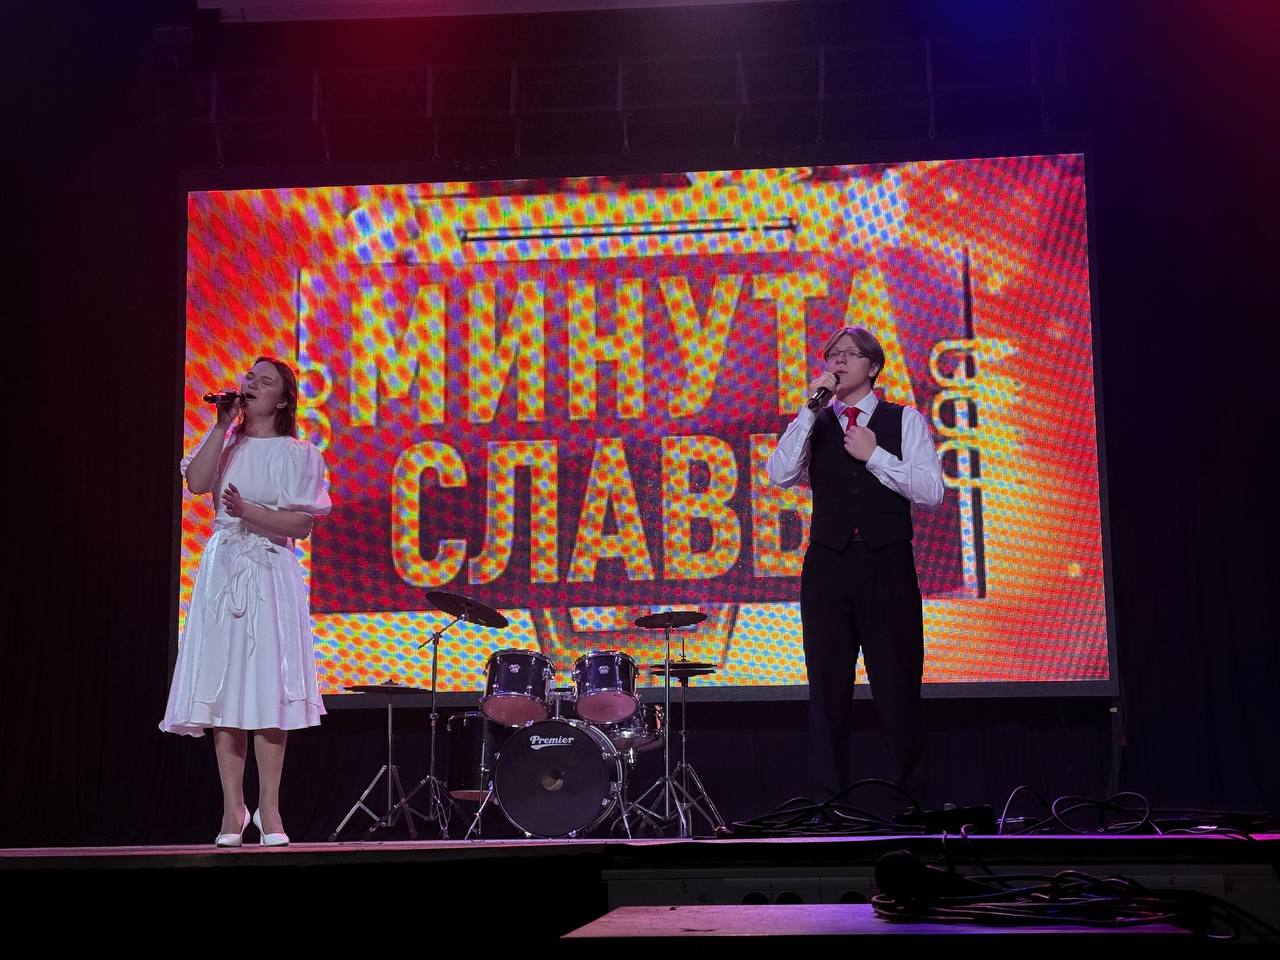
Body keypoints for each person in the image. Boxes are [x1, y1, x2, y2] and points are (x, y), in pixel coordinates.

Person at [767, 326, 943, 806]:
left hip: (887, 564)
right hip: (828, 566)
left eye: (850, 354)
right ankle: (830, 805)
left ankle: (912, 804)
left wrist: (876, 455)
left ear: (874, 366)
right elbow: (780, 474)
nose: (838, 362)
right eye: (832, 355)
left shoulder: (903, 420)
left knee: (897, 686)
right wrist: (810, 410)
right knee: (828, 689)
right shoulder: (816, 419)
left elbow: (931, 492)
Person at [161, 357, 331, 847]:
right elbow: (197, 484)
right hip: (223, 571)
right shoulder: (227, 442)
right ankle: (232, 808)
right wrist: (221, 425)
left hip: (270, 573)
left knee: (267, 690)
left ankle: (269, 809)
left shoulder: (297, 454)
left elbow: (302, 525)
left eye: (264, 380)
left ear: (282, 399)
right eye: (249, 378)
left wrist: (250, 512)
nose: (251, 384)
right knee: (226, 689)